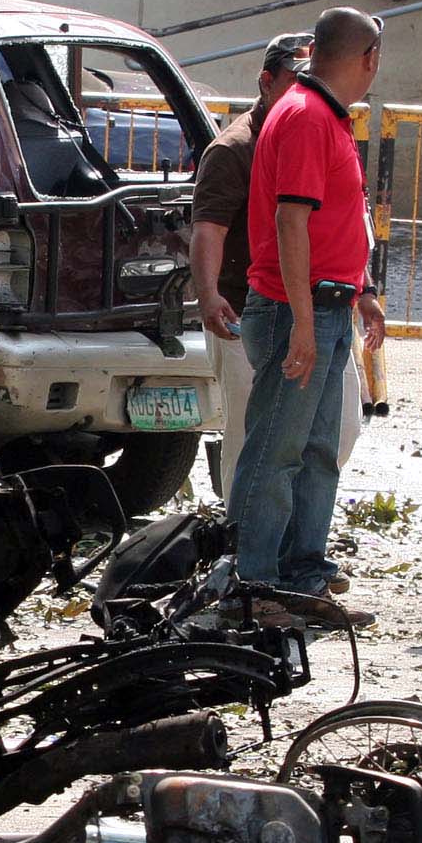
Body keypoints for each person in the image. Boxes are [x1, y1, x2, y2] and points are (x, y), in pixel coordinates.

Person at [228, 7, 387, 595]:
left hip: (327, 306)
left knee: (319, 449)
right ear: (368, 58)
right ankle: (254, 580)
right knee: (276, 451)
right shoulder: (306, 116)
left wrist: (361, 290)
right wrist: (300, 319)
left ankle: (303, 574)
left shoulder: (323, 114)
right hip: (298, 310)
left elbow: (338, 220)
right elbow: (291, 221)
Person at [190, 31, 309, 499]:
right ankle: (240, 541)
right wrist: (208, 295)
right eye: (294, 81)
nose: (303, 92)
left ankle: (285, 529)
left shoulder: (314, 133)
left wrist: (363, 292)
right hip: (242, 310)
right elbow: (208, 230)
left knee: (335, 432)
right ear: (266, 82)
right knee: (246, 431)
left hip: (304, 308)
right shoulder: (233, 149)